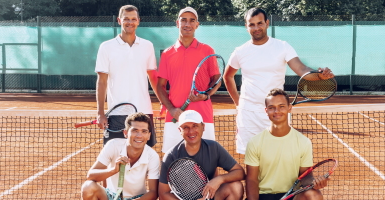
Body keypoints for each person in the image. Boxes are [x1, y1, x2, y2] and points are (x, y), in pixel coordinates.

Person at [223, 7, 335, 154]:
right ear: (246, 26)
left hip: (276, 113)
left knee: (278, 156)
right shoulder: (240, 52)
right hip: (248, 114)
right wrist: (238, 103)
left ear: (267, 23)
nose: (256, 28)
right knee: (251, 161)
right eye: (252, 24)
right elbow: (227, 76)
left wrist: (319, 76)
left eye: (260, 23)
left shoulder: (282, 47)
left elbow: (301, 70)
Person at [239, 89, 330, 200]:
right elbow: (251, 179)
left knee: (315, 196)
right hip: (263, 199)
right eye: (272, 107)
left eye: (281, 106)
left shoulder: (302, 142)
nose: (277, 111)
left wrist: (314, 184)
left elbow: (305, 176)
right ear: (266, 111)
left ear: (289, 108)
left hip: (290, 199)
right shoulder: (255, 142)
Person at [158, 110, 245, 200]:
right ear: (180, 130)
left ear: (203, 127)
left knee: (236, 187)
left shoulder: (214, 148)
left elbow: (240, 172)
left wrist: (219, 179)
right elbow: (163, 194)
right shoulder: (171, 155)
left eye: (195, 126)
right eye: (185, 127)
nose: (191, 131)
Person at [80, 112, 160, 200]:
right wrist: (113, 170)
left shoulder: (152, 156)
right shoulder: (113, 145)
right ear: (125, 133)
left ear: (148, 135)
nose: (139, 135)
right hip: (111, 198)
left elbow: (153, 192)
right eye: (134, 130)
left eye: (144, 131)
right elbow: (91, 175)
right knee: (88, 187)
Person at [156, 7, 222, 153]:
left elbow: (217, 80)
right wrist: (171, 109)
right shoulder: (167, 54)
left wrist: (206, 95)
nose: (187, 24)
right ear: (177, 23)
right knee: (171, 159)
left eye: (192, 21)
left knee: (209, 158)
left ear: (197, 25)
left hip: (202, 115)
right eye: (183, 20)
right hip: (176, 116)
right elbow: (160, 86)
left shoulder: (207, 50)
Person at [95, 4, 158, 147]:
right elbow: (102, 82)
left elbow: (153, 77)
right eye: (126, 19)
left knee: (144, 154)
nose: (130, 22)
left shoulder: (148, 46)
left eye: (133, 19)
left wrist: (163, 103)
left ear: (138, 21)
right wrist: (100, 113)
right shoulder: (106, 47)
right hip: (117, 113)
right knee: (116, 155)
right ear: (119, 20)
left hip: (144, 111)